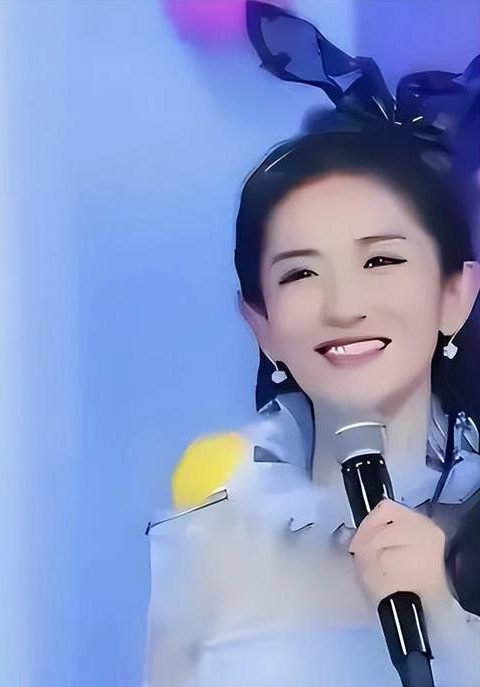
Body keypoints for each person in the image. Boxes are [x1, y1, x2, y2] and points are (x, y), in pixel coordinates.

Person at [144, 4, 480, 686]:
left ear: (456, 293)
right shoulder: (208, 536)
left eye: (381, 261)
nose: (343, 306)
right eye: (300, 273)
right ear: (260, 321)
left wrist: (447, 616)